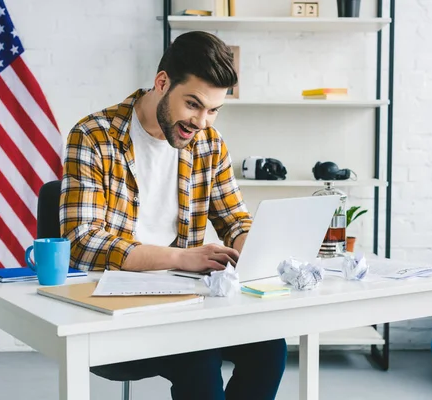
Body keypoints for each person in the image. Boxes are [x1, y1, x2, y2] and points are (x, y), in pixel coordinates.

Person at [59, 31, 287, 400]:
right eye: (193, 104)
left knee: (269, 348)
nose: (202, 121)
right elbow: (83, 243)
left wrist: (256, 248)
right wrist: (183, 258)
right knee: (197, 358)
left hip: (186, 303)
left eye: (213, 110)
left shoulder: (208, 144)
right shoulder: (93, 136)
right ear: (162, 82)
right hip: (111, 309)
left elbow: (235, 220)